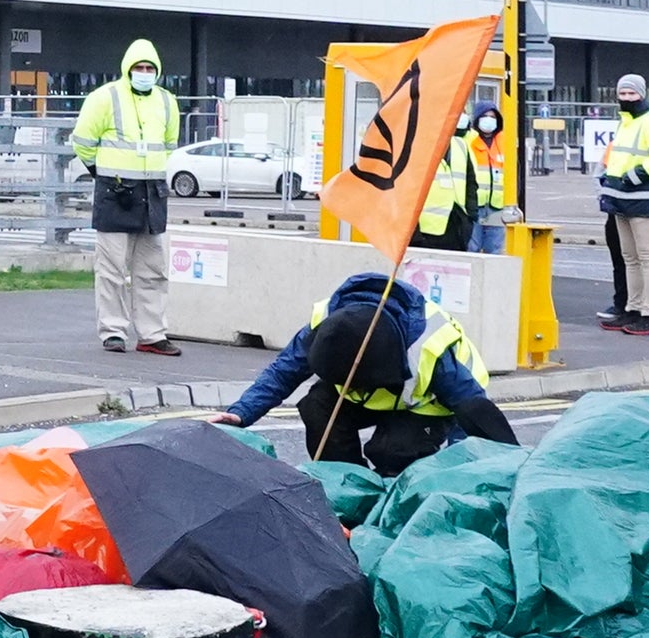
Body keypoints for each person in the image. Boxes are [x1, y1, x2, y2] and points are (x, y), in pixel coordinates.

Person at [214, 273, 518, 476]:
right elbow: (283, 372)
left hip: (425, 409)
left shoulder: (429, 350)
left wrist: (460, 472)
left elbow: (474, 414)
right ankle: (348, 486)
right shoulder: (328, 326)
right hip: (374, 398)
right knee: (318, 404)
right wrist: (241, 414)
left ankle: (395, 495)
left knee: (392, 451)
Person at [68, 37, 180, 357]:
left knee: (153, 270)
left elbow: (168, 144)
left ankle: (152, 334)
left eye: (149, 68)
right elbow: (83, 143)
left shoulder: (167, 101)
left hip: (152, 193)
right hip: (115, 192)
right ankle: (113, 331)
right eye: (138, 67)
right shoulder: (104, 97)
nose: (144, 72)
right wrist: (103, 173)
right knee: (112, 269)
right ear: (127, 69)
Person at [596, 72, 649, 335]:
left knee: (648, 257)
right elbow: (620, 159)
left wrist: (632, 178)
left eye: (632, 94)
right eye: (623, 94)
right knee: (630, 258)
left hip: (643, 199)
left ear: (643, 94)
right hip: (622, 199)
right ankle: (633, 308)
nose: (627, 98)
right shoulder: (627, 123)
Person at [412, 121, 477, 253]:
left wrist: (470, 217)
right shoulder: (417, 146)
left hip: (456, 226)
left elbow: (471, 184)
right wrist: (414, 234)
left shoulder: (461, 145)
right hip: (425, 232)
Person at [466, 104, 515, 255]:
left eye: (493, 117)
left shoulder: (505, 142)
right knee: (471, 248)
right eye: (485, 117)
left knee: (494, 250)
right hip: (474, 205)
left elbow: (513, 173)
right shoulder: (469, 141)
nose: (489, 120)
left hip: (497, 207)